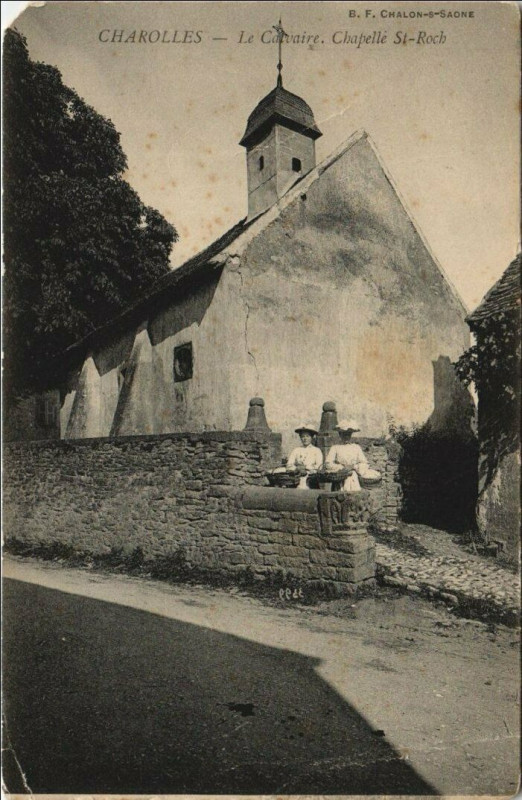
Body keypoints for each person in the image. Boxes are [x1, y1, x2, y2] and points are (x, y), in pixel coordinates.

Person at [325, 419, 381, 492]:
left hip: (353, 477)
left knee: (354, 495)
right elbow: (328, 463)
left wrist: (354, 467)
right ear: (340, 434)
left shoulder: (356, 447)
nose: (346, 436)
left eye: (348, 434)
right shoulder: (335, 447)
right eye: (344, 434)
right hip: (340, 477)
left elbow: (364, 463)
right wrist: (342, 468)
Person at [281, 423, 323, 489]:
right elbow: (289, 465)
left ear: (311, 437)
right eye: (303, 436)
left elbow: (319, 467)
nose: (305, 439)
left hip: (311, 480)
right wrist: (297, 469)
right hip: (296, 480)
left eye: (307, 436)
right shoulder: (296, 450)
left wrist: (306, 468)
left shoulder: (317, 451)